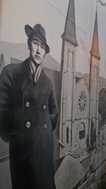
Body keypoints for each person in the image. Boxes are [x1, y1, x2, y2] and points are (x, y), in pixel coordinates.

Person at [0, 24, 58, 189]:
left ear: (46, 52)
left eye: (42, 46)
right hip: (22, 153)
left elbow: (54, 114)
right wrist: (21, 136)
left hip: (44, 151)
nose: (39, 51)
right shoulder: (10, 73)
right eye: (35, 43)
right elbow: (1, 113)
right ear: (28, 44)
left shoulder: (47, 83)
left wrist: (43, 131)